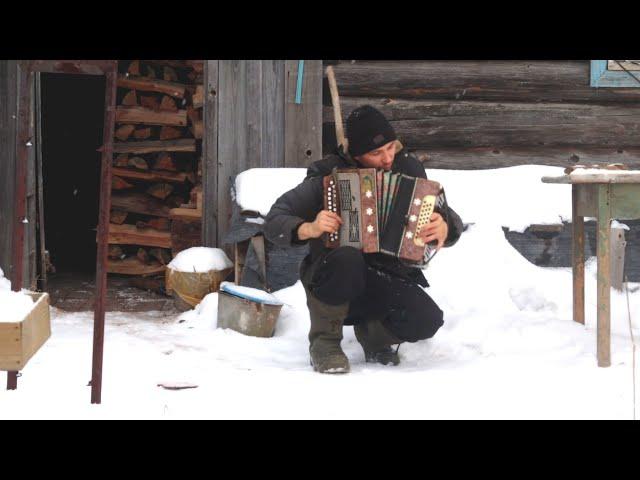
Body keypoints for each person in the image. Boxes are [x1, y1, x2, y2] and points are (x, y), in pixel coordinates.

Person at [264, 105, 463, 373]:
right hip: (333, 275)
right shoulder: (327, 175)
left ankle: (374, 337)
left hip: (386, 274)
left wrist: (445, 227)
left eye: (391, 147)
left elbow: (445, 215)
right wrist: (309, 228)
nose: (388, 158)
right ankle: (325, 343)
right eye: (376, 153)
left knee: (427, 320)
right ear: (356, 154)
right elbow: (275, 219)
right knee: (347, 257)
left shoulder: (409, 168)